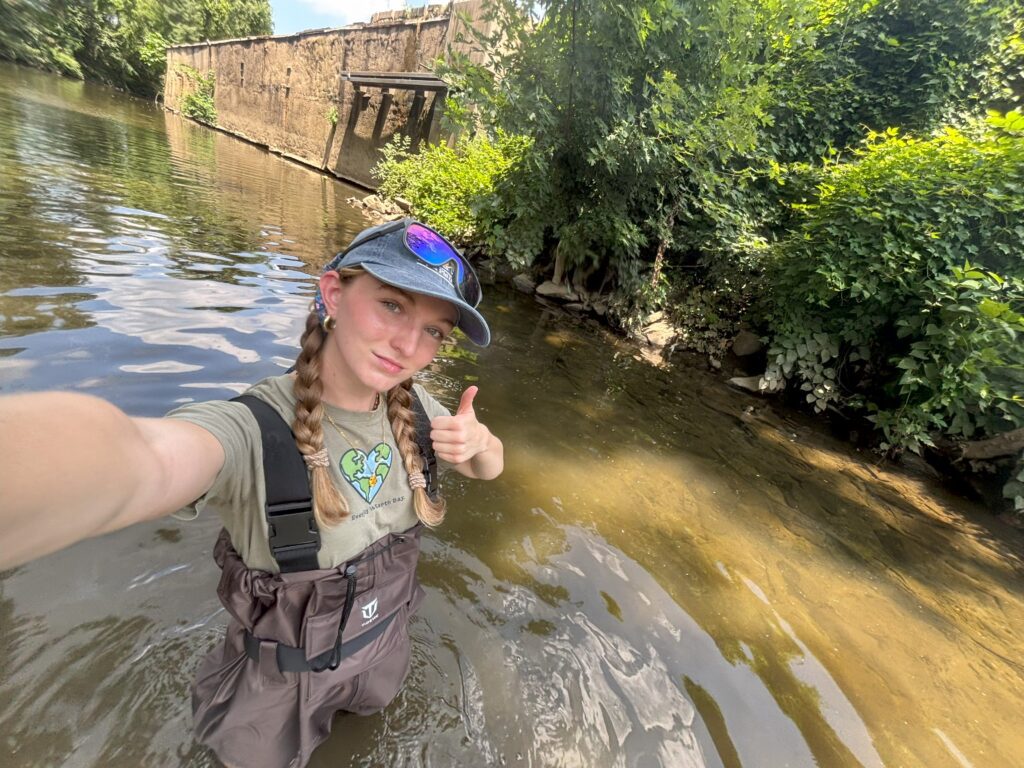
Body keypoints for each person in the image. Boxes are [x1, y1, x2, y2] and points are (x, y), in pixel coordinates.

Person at [0, 218, 504, 768]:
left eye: (435, 331)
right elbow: (143, 460)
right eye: (392, 305)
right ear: (333, 292)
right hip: (275, 695)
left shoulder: (419, 410)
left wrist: (477, 444)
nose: (410, 344)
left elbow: (489, 466)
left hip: (383, 653)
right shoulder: (253, 432)